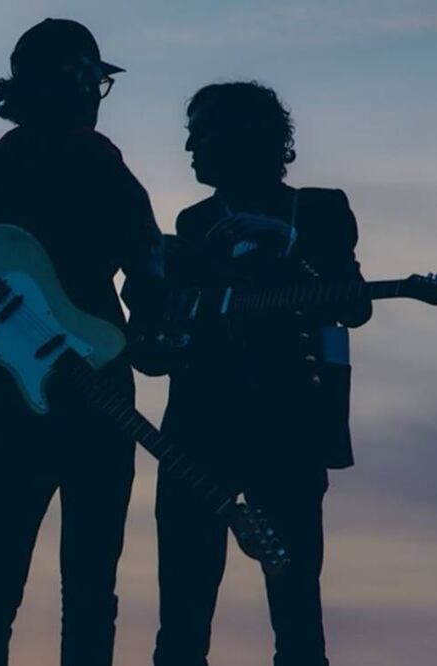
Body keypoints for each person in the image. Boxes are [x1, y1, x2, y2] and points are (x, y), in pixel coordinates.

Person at [0, 19, 166, 666]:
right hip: (96, 387)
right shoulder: (94, 158)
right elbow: (147, 259)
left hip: (13, 393)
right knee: (90, 581)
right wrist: (154, 329)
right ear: (75, 83)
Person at [151, 81, 372, 666]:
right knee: (183, 615)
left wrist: (290, 243)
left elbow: (353, 304)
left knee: (297, 613)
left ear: (242, 137)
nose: (190, 145)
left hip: (287, 429)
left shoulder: (318, 209)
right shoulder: (193, 222)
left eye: (200, 130)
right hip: (196, 430)